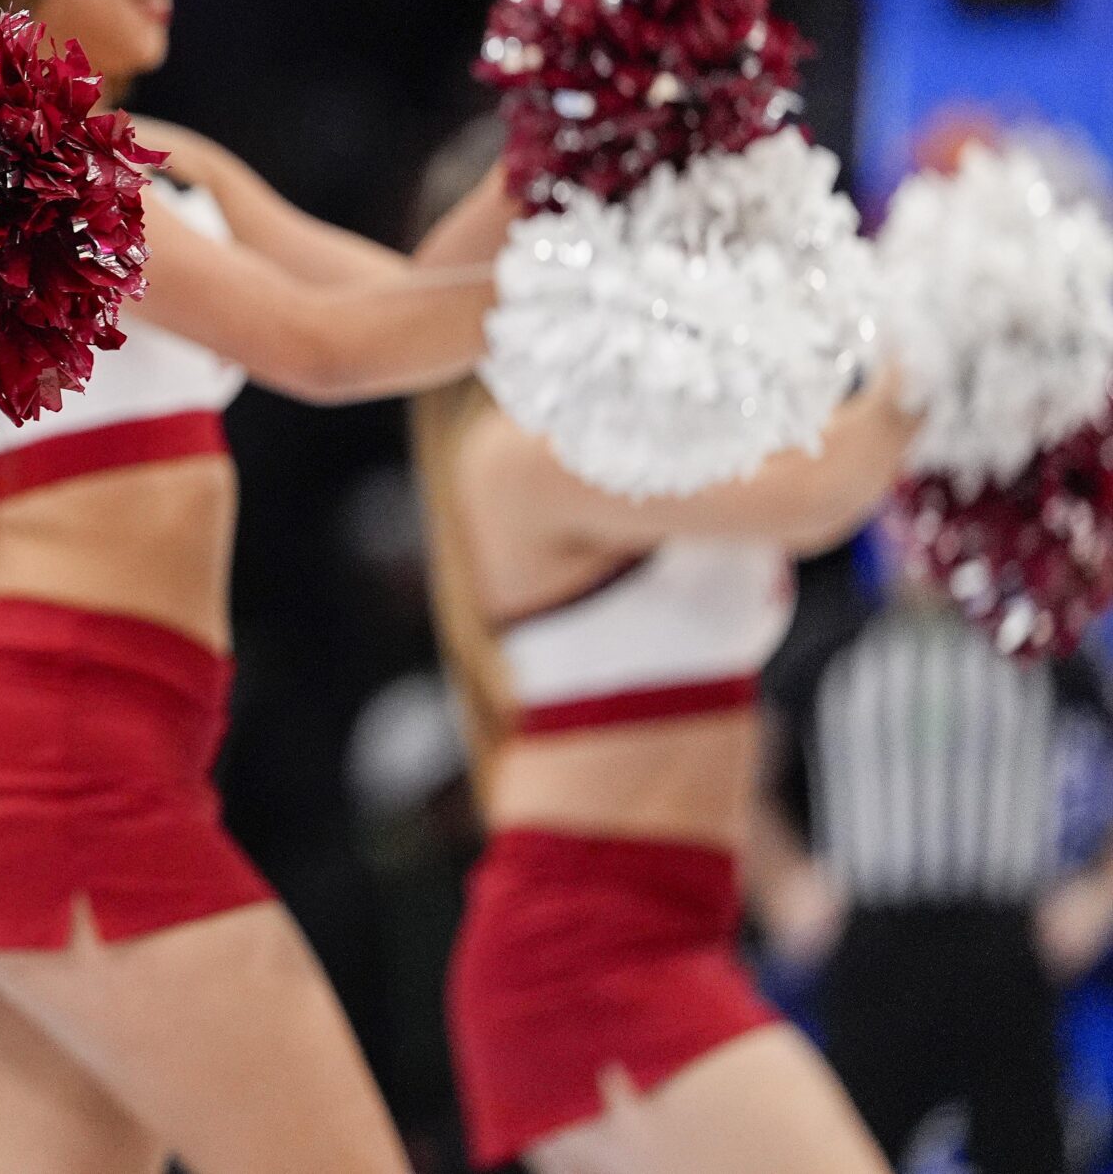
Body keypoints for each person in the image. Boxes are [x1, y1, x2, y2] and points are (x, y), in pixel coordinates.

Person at [0, 0, 515, 1174]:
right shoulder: (31, 172)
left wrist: (555, 156)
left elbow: (404, 306)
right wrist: (593, 230)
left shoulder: (167, 164)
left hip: (79, 759)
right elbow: (332, 349)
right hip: (62, 766)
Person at [409, 125, 922, 1174]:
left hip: (682, 934)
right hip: (586, 959)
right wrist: (958, 322)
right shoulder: (516, 452)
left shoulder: (647, 425)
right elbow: (827, 490)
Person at [753, 554, 1113, 1174]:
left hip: (1004, 941)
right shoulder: (828, 644)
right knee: (848, 1152)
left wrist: (1100, 897)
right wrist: (780, 884)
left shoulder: (1034, 646)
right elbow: (740, 773)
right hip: (871, 943)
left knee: (1025, 1151)